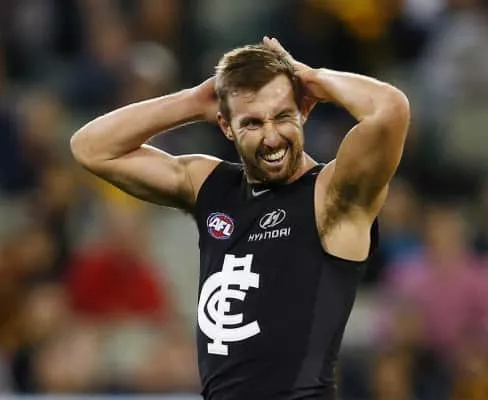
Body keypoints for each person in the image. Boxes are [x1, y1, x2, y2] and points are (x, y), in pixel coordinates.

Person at [70, 36, 410, 400]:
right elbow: (91, 147)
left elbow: (390, 109)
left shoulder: (331, 196)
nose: (271, 137)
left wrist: (313, 78)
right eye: (252, 123)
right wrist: (192, 101)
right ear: (226, 126)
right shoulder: (211, 185)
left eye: (283, 116)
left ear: (304, 111)